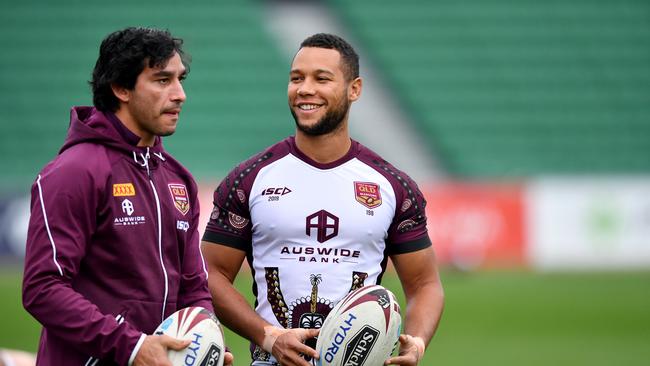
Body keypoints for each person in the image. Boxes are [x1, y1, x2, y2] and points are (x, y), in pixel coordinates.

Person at [201, 33, 444, 366]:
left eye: (321, 78)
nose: (305, 89)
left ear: (354, 89)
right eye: (296, 78)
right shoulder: (249, 179)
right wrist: (268, 337)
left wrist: (415, 342)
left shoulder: (393, 185)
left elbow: (424, 284)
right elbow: (210, 273)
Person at [22, 27, 233, 366]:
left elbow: (193, 286)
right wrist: (131, 346)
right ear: (120, 88)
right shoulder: (73, 172)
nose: (180, 94)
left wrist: (205, 338)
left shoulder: (178, 179)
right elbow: (43, 289)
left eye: (180, 79)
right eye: (162, 80)